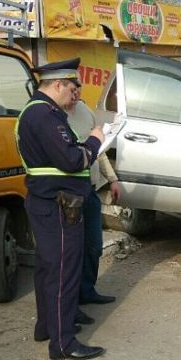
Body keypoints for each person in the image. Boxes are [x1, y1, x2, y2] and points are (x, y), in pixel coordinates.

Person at [15, 57, 105, 360]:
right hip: (58, 206)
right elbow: (71, 160)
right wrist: (94, 142)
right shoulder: (44, 115)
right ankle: (64, 343)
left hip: (50, 203)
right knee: (63, 273)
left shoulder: (41, 112)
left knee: (48, 269)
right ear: (58, 84)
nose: (75, 92)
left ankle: (47, 327)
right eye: (72, 86)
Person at [66, 86, 120, 313]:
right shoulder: (52, 116)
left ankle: (87, 291)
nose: (76, 91)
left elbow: (99, 149)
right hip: (69, 195)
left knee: (93, 246)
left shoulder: (85, 111)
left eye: (78, 86)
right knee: (71, 252)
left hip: (90, 190)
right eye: (71, 86)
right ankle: (71, 303)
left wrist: (112, 178)